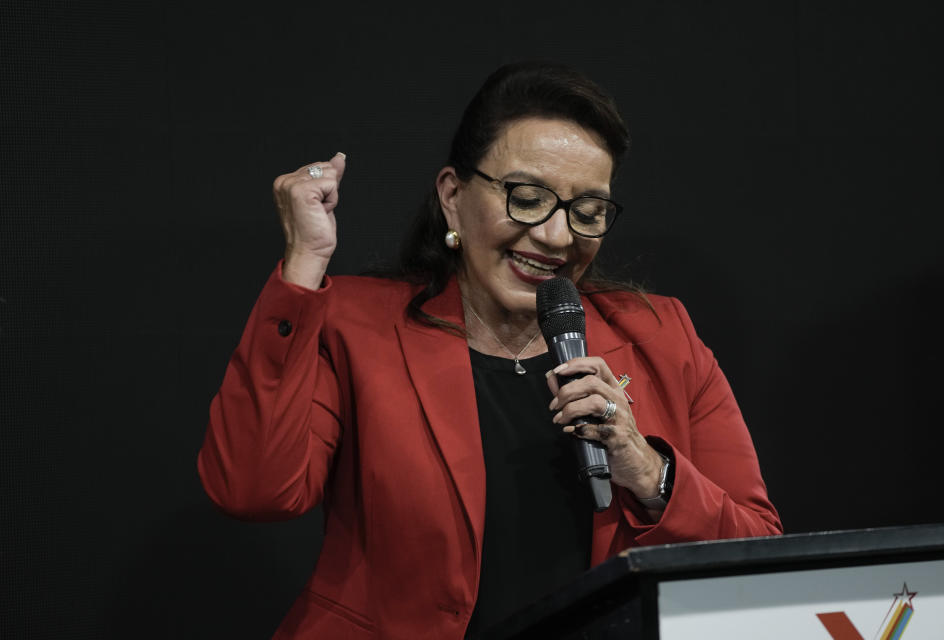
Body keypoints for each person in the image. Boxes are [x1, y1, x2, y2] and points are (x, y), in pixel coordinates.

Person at [197, 62, 782, 639]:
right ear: (453, 195)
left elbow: (759, 556)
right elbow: (253, 490)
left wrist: (651, 473)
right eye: (527, 197)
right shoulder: (356, 326)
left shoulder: (662, 335)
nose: (556, 236)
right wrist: (303, 266)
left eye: (588, 211)